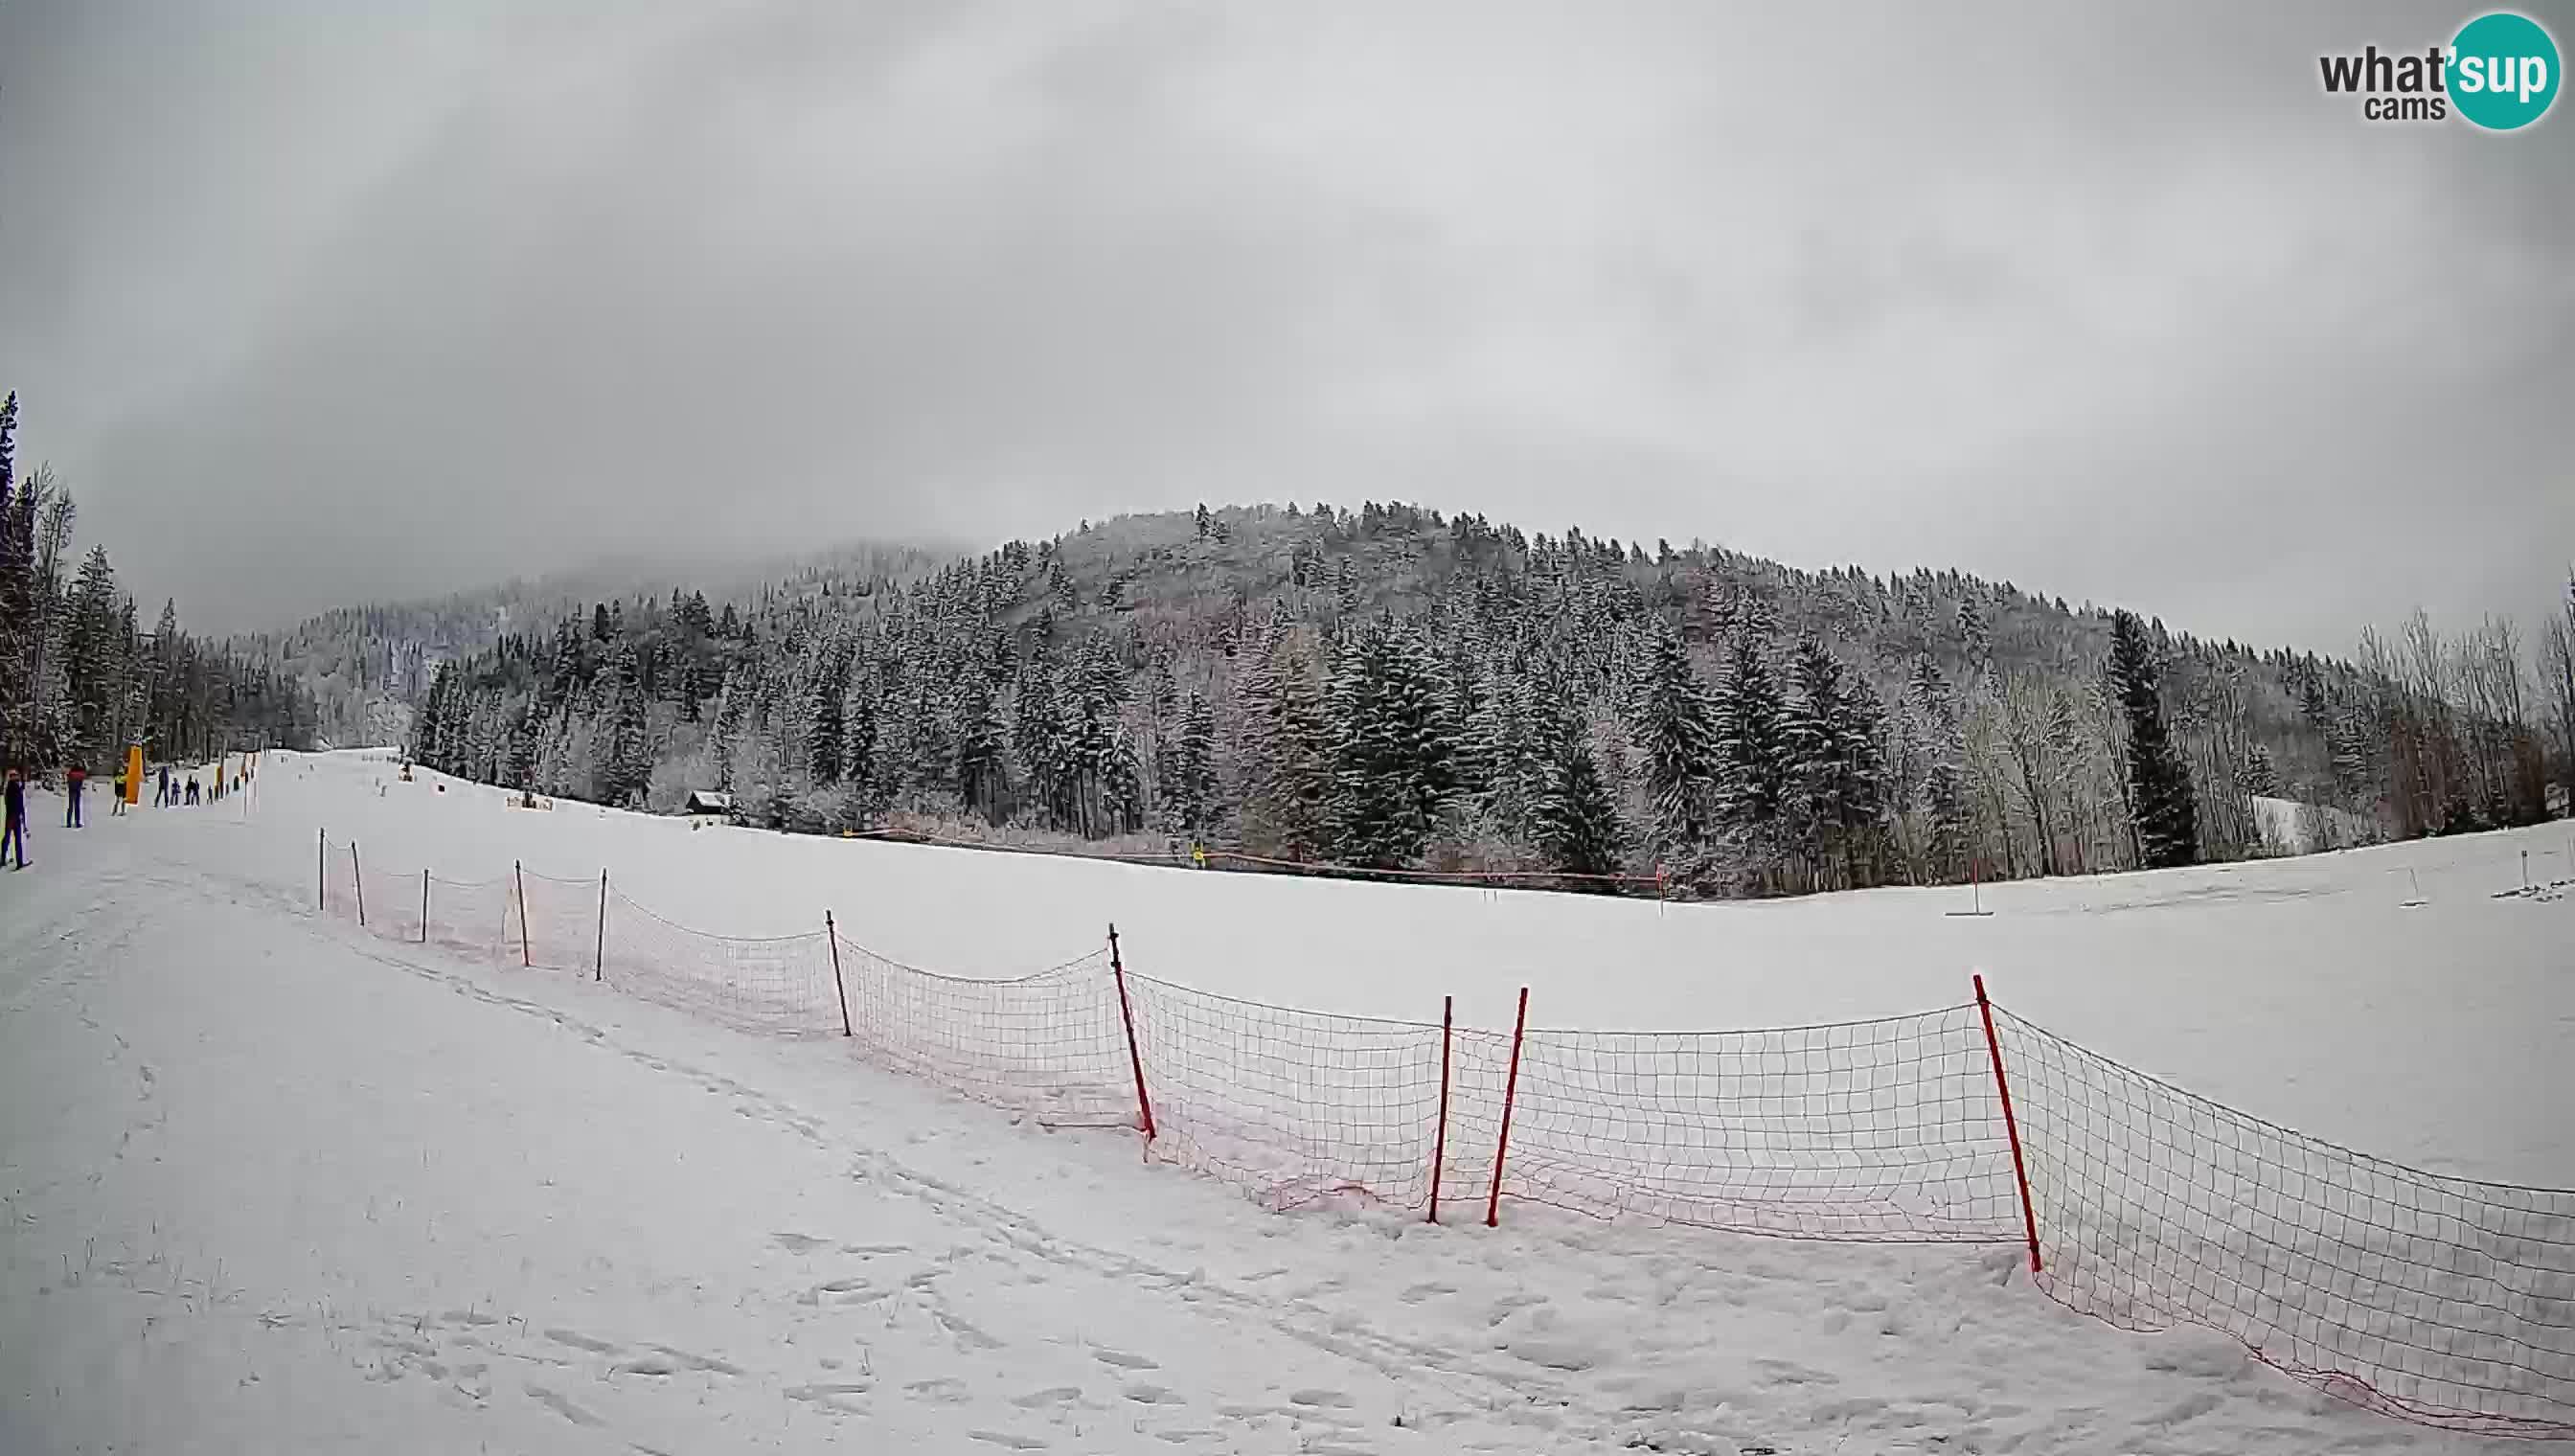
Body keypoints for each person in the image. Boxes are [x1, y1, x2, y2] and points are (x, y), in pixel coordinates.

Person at [3, 768, 27, 870]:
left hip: (10, 816)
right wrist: (23, 820)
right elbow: (20, 804)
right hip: (15, 817)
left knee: (7, 838)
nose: (17, 777)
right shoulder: (15, 788)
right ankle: (19, 862)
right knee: (17, 841)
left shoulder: (9, 788)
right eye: (16, 776)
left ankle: (2, 858)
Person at [64, 764, 86, 829]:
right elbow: (81, 782)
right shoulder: (80, 774)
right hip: (77, 791)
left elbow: (68, 782)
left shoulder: (70, 774)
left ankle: (68, 823)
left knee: (70, 807)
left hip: (71, 791)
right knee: (77, 807)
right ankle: (77, 823)